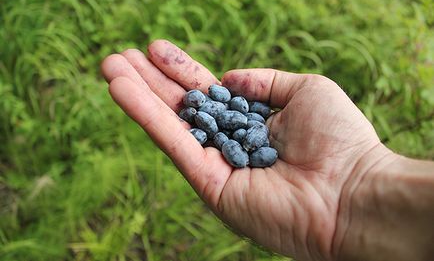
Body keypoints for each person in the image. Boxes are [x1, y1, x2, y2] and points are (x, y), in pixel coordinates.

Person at [101, 39, 434, 261]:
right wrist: (360, 177)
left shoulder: (243, 131)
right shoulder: (226, 122)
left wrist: (357, 175)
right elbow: (222, 127)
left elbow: (231, 132)